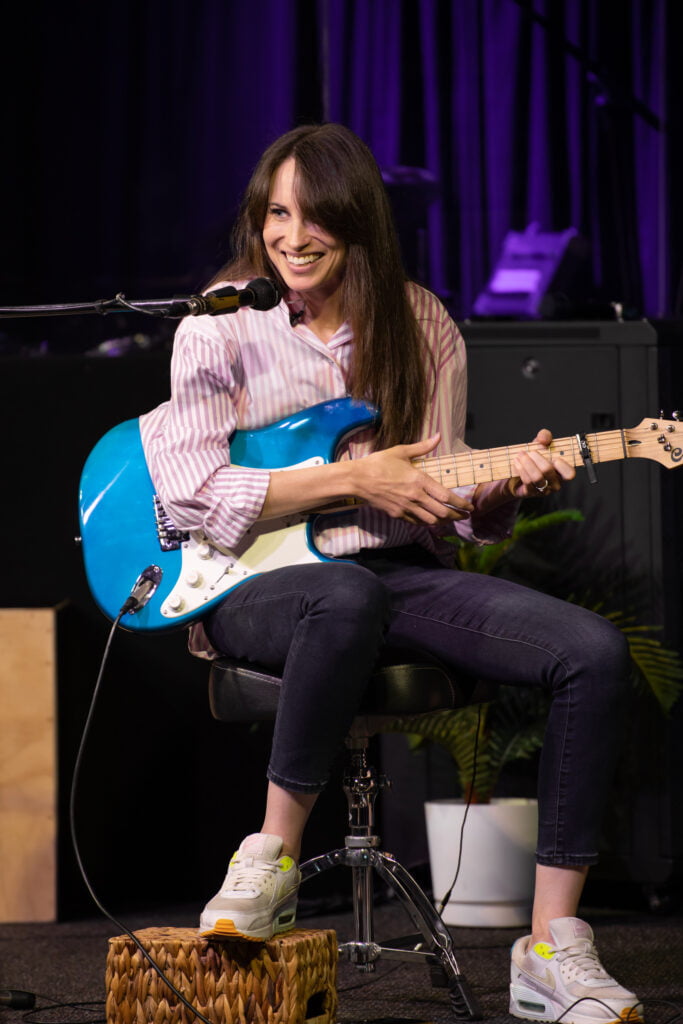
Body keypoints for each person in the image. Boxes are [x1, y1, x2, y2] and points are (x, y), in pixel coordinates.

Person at [139, 123, 642, 1024]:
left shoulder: (422, 324)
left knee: (592, 651)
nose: (290, 237)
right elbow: (187, 496)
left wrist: (499, 491)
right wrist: (349, 476)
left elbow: (441, 500)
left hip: (395, 571)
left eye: (314, 217)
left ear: (357, 221)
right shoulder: (221, 319)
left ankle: (550, 946)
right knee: (343, 593)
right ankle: (270, 859)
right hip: (254, 581)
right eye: (275, 214)